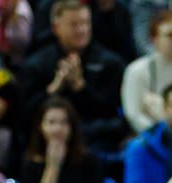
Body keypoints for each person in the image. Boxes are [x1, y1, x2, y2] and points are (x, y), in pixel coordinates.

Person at [17, 0, 127, 151]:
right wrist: (53, 89)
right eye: (74, 25)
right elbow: (25, 114)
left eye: (85, 23)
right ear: (56, 28)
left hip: (96, 139)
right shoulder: (36, 64)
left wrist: (80, 88)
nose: (81, 30)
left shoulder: (110, 63)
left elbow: (111, 111)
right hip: (47, 138)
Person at [16, 96, 105, 183]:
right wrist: (53, 166)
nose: (58, 129)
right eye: (51, 122)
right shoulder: (30, 163)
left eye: (64, 123)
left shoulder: (90, 162)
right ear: (41, 126)